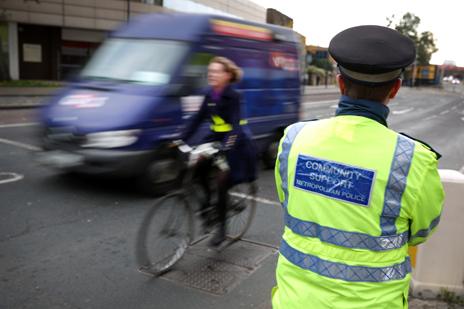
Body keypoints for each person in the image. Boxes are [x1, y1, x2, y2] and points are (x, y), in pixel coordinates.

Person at [272, 25, 444, 308]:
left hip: (294, 300)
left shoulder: (294, 138)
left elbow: (288, 202)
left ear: (340, 84)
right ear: (395, 89)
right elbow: (422, 232)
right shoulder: (413, 159)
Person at [182, 56, 257, 247]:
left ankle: (222, 230)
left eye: (216, 71)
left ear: (228, 75)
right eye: (210, 71)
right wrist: (179, 139)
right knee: (196, 168)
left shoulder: (234, 96)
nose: (212, 75)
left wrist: (227, 147)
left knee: (222, 182)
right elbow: (197, 119)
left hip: (235, 143)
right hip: (215, 139)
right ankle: (208, 207)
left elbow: (236, 126)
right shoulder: (209, 94)